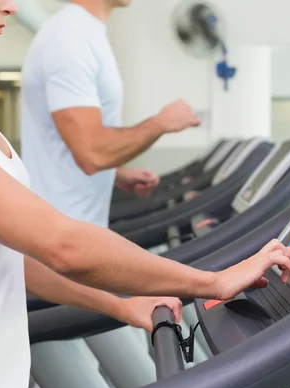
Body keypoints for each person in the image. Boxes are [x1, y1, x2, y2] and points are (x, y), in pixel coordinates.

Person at [0, 1, 290, 388]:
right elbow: (63, 245)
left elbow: (12, 256)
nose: (11, 6)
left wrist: (121, 305)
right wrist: (212, 282)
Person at [21, 0, 202, 229]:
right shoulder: (69, 39)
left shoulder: (83, 33)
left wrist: (112, 175)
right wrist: (161, 123)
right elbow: (92, 152)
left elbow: (69, 140)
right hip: (62, 233)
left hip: (75, 225)